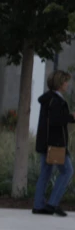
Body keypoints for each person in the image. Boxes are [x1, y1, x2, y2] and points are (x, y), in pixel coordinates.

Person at [33, 70, 75, 216]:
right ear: (60, 83)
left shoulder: (48, 99)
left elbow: (52, 120)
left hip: (45, 142)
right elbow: (57, 121)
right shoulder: (56, 101)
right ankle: (52, 204)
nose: (67, 84)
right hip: (55, 143)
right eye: (66, 81)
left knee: (45, 172)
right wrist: (71, 117)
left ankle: (38, 205)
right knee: (67, 171)